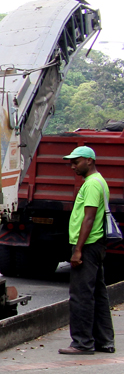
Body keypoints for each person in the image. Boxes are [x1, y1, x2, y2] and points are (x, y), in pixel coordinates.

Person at [60, 145, 115, 355]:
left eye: (76, 162)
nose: (72, 166)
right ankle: (104, 341)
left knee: (81, 295)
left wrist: (78, 250)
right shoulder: (97, 181)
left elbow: (89, 218)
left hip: (89, 245)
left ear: (89, 161)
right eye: (71, 162)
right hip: (96, 245)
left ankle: (82, 342)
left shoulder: (92, 184)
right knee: (99, 294)